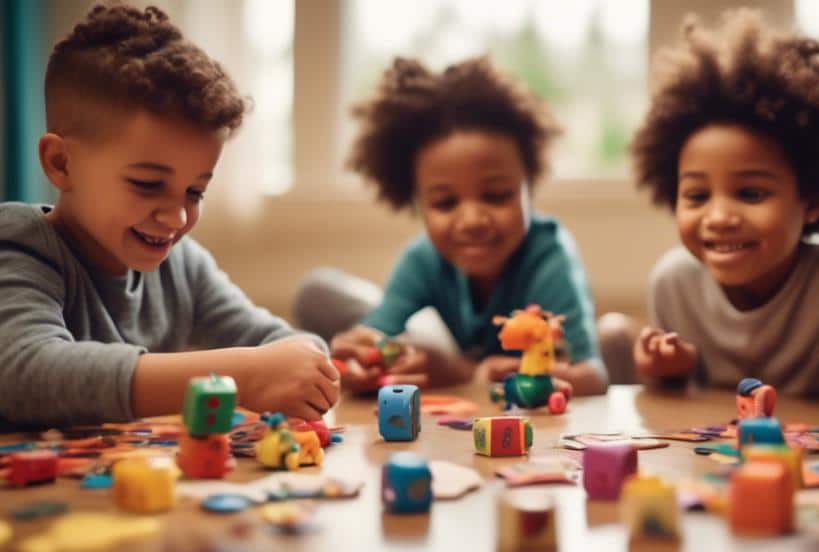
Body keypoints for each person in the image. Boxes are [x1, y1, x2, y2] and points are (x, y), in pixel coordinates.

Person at [0, 2, 340, 427]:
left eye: (195, 191)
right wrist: (245, 375)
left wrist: (309, 364)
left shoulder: (183, 266)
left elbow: (277, 343)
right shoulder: (18, 244)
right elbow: (24, 375)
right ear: (62, 163)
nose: (178, 218)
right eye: (147, 184)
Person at [602, 9, 819, 399]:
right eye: (698, 196)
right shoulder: (673, 284)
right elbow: (672, 408)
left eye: (750, 194)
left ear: (812, 200)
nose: (718, 217)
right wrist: (665, 372)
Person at [296, 56, 607, 395]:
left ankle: (618, 339)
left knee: (613, 337)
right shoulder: (422, 259)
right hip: (450, 359)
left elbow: (592, 377)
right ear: (417, 203)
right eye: (445, 203)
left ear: (528, 186)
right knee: (318, 292)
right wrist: (358, 360)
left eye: (497, 195)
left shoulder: (549, 258)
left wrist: (462, 373)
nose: (472, 220)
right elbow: (375, 333)